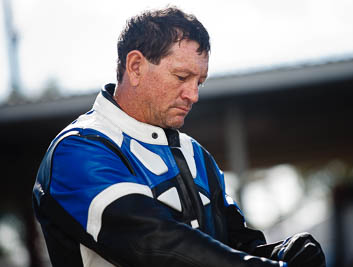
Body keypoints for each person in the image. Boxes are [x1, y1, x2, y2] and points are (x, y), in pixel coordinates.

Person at [32, 6, 326, 267]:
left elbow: (234, 246)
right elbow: (155, 244)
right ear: (135, 67)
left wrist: (281, 254)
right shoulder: (77, 149)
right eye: (182, 77)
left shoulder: (196, 154)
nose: (194, 95)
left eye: (200, 81)